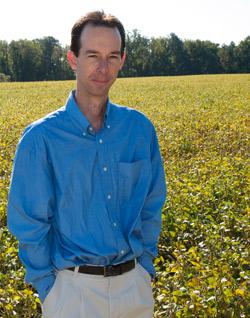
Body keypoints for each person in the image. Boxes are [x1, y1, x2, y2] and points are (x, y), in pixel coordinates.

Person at [7, 10, 166, 318]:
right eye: (92, 55)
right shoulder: (41, 138)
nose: (103, 67)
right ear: (72, 59)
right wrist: (49, 289)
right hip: (72, 295)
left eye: (112, 56)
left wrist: (145, 269)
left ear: (122, 60)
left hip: (134, 288)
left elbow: (151, 204)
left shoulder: (139, 130)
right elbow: (29, 222)